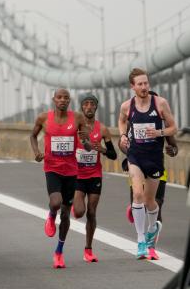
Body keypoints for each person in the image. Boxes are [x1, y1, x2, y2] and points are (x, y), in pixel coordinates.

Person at [118, 68, 178, 259]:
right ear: (133, 86)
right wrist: (122, 136)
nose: (144, 87)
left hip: (154, 158)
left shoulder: (160, 103)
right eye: (140, 84)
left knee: (150, 201)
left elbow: (173, 127)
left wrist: (159, 133)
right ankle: (141, 240)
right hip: (135, 156)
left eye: (146, 83)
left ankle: (152, 228)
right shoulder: (127, 106)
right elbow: (121, 121)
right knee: (137, 195)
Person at [30, 88, 90, 269]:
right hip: (52, 168)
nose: (62, 100)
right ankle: (50, 215)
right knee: (56, 203)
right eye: (59, 97)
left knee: (66, 213)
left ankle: (59, 251)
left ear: (69, 101)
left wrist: (85, 140)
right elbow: (32, 136)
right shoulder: (43, 118)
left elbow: (87, 147)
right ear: (54, 99)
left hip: (71, 171)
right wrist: (37, 152)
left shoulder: (78, 118)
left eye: (66, 98)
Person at [71, 93, 117, 262]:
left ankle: (88, 249)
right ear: (81, 107)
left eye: (92, 104)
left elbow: (113, 155)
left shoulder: (102, 129)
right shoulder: (75, 128)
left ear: (96, 107)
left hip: (94, 175)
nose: (89, 106)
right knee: (79, 211)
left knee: (91, 212)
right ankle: (74, 206)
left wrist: (102, 149)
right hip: (77, 175)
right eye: (86, 104)